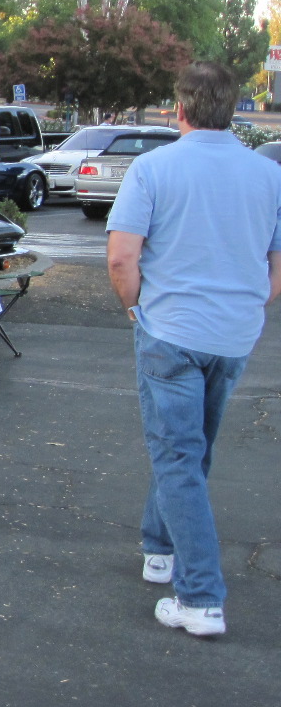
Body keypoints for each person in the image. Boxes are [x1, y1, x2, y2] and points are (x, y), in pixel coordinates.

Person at [105, 61, 281, 637]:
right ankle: (160, 549)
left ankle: (201, 597)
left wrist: (135, 307)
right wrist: (247, 306)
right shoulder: (268, 175)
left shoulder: (154, 168)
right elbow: (276, 268)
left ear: (178, 109)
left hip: (170, 332)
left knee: (177, 455)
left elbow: (122, 257)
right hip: (233, 335)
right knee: (190, 450)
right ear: (232, 109)